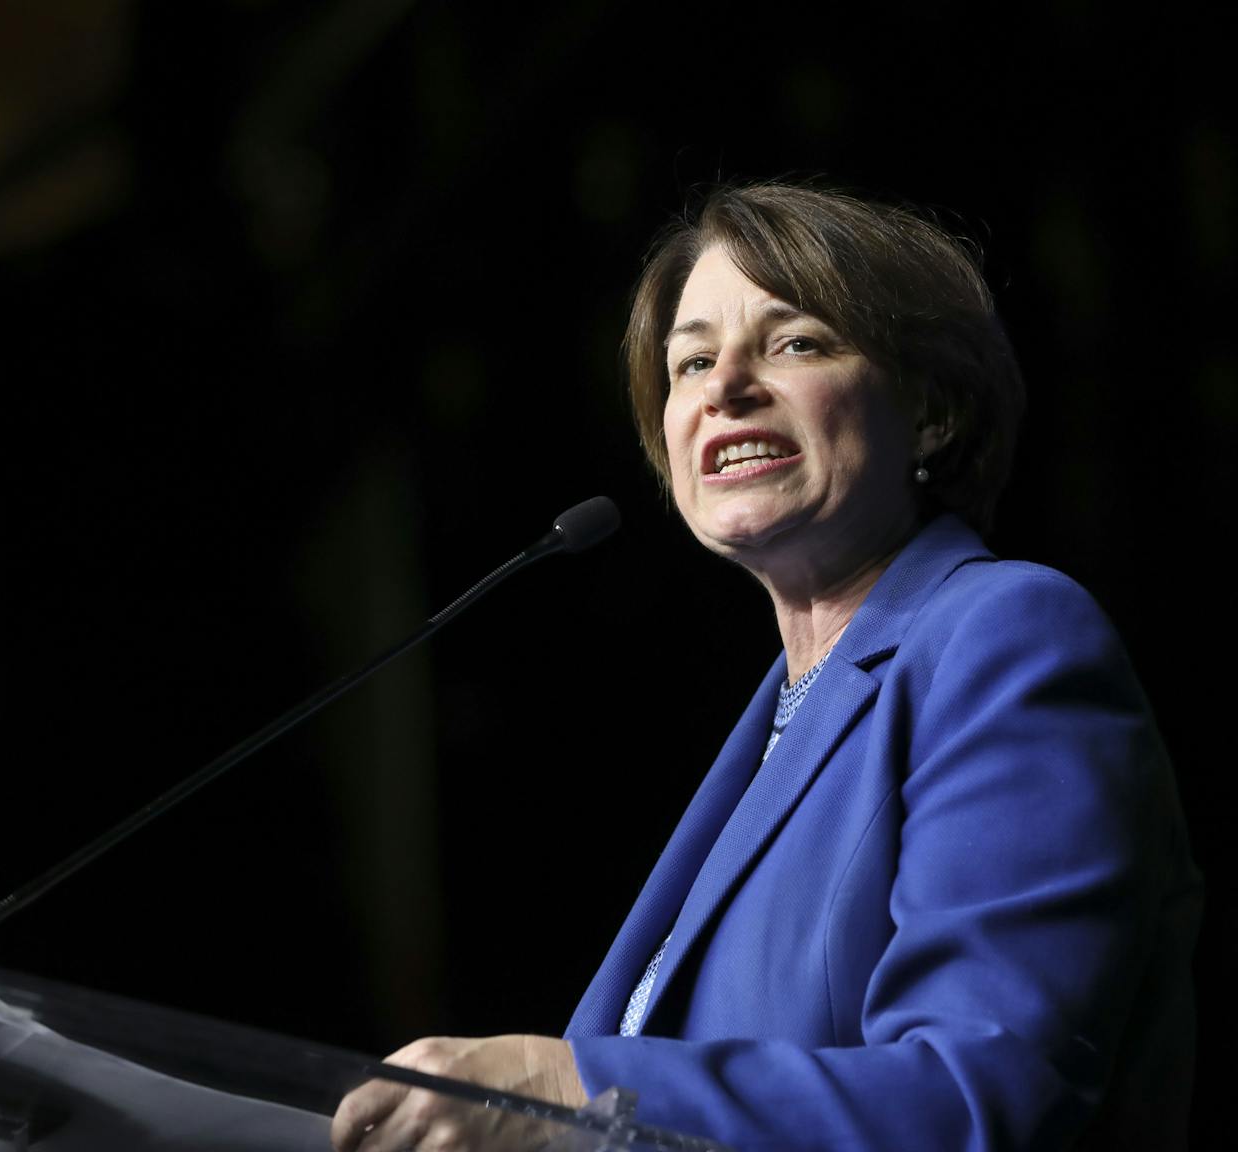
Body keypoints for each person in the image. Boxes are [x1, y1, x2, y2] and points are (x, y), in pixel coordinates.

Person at [330, 183, 1202, 1151]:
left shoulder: (1004, 635)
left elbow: (981, 1097)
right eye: (692, 361)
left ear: (930, 411)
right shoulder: (784, 716)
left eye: (794, 343)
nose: (723, 387)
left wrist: (564, 1087)